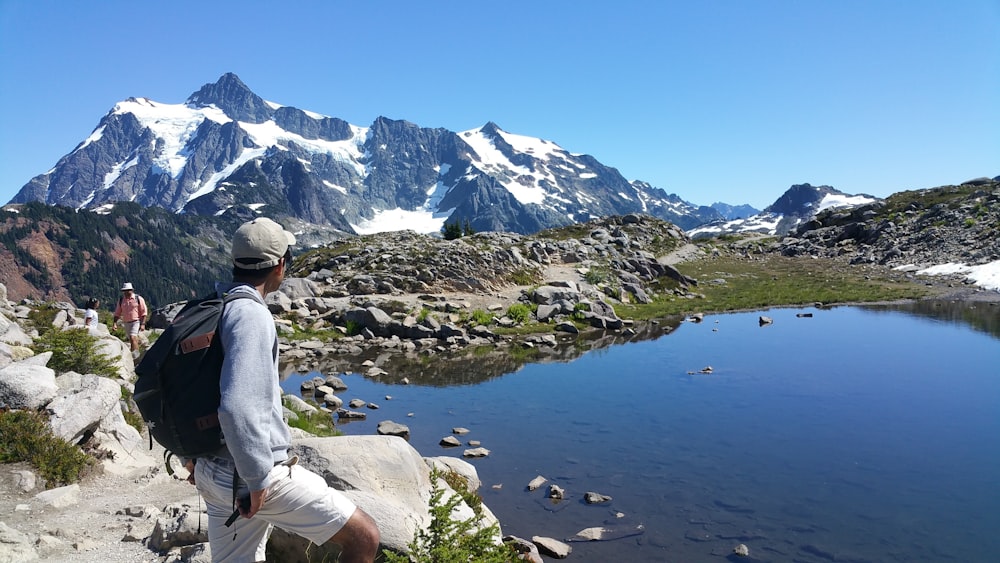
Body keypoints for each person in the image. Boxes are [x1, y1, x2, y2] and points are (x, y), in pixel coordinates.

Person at [184, 217, 380, 562]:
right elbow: (236, 408)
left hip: (211, 469)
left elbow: (185, 387)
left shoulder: (216, 305)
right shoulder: (251, 315)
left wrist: (191, 456)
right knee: (364, 537)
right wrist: (257, 478)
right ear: (280, 264)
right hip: (250, 476)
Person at [113, 282, 147, 357]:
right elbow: (117, 312)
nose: (126, 292)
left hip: (136, 321)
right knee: (132, 339)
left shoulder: (138, 299)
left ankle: (136, 356)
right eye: (124, 291)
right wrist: (114, 323)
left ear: (131, 290)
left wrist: (143, 324)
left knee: (132, 337)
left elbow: (144, 312)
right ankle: (134, 355)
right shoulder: (121, 300)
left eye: (127, 290)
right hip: (126, 322)